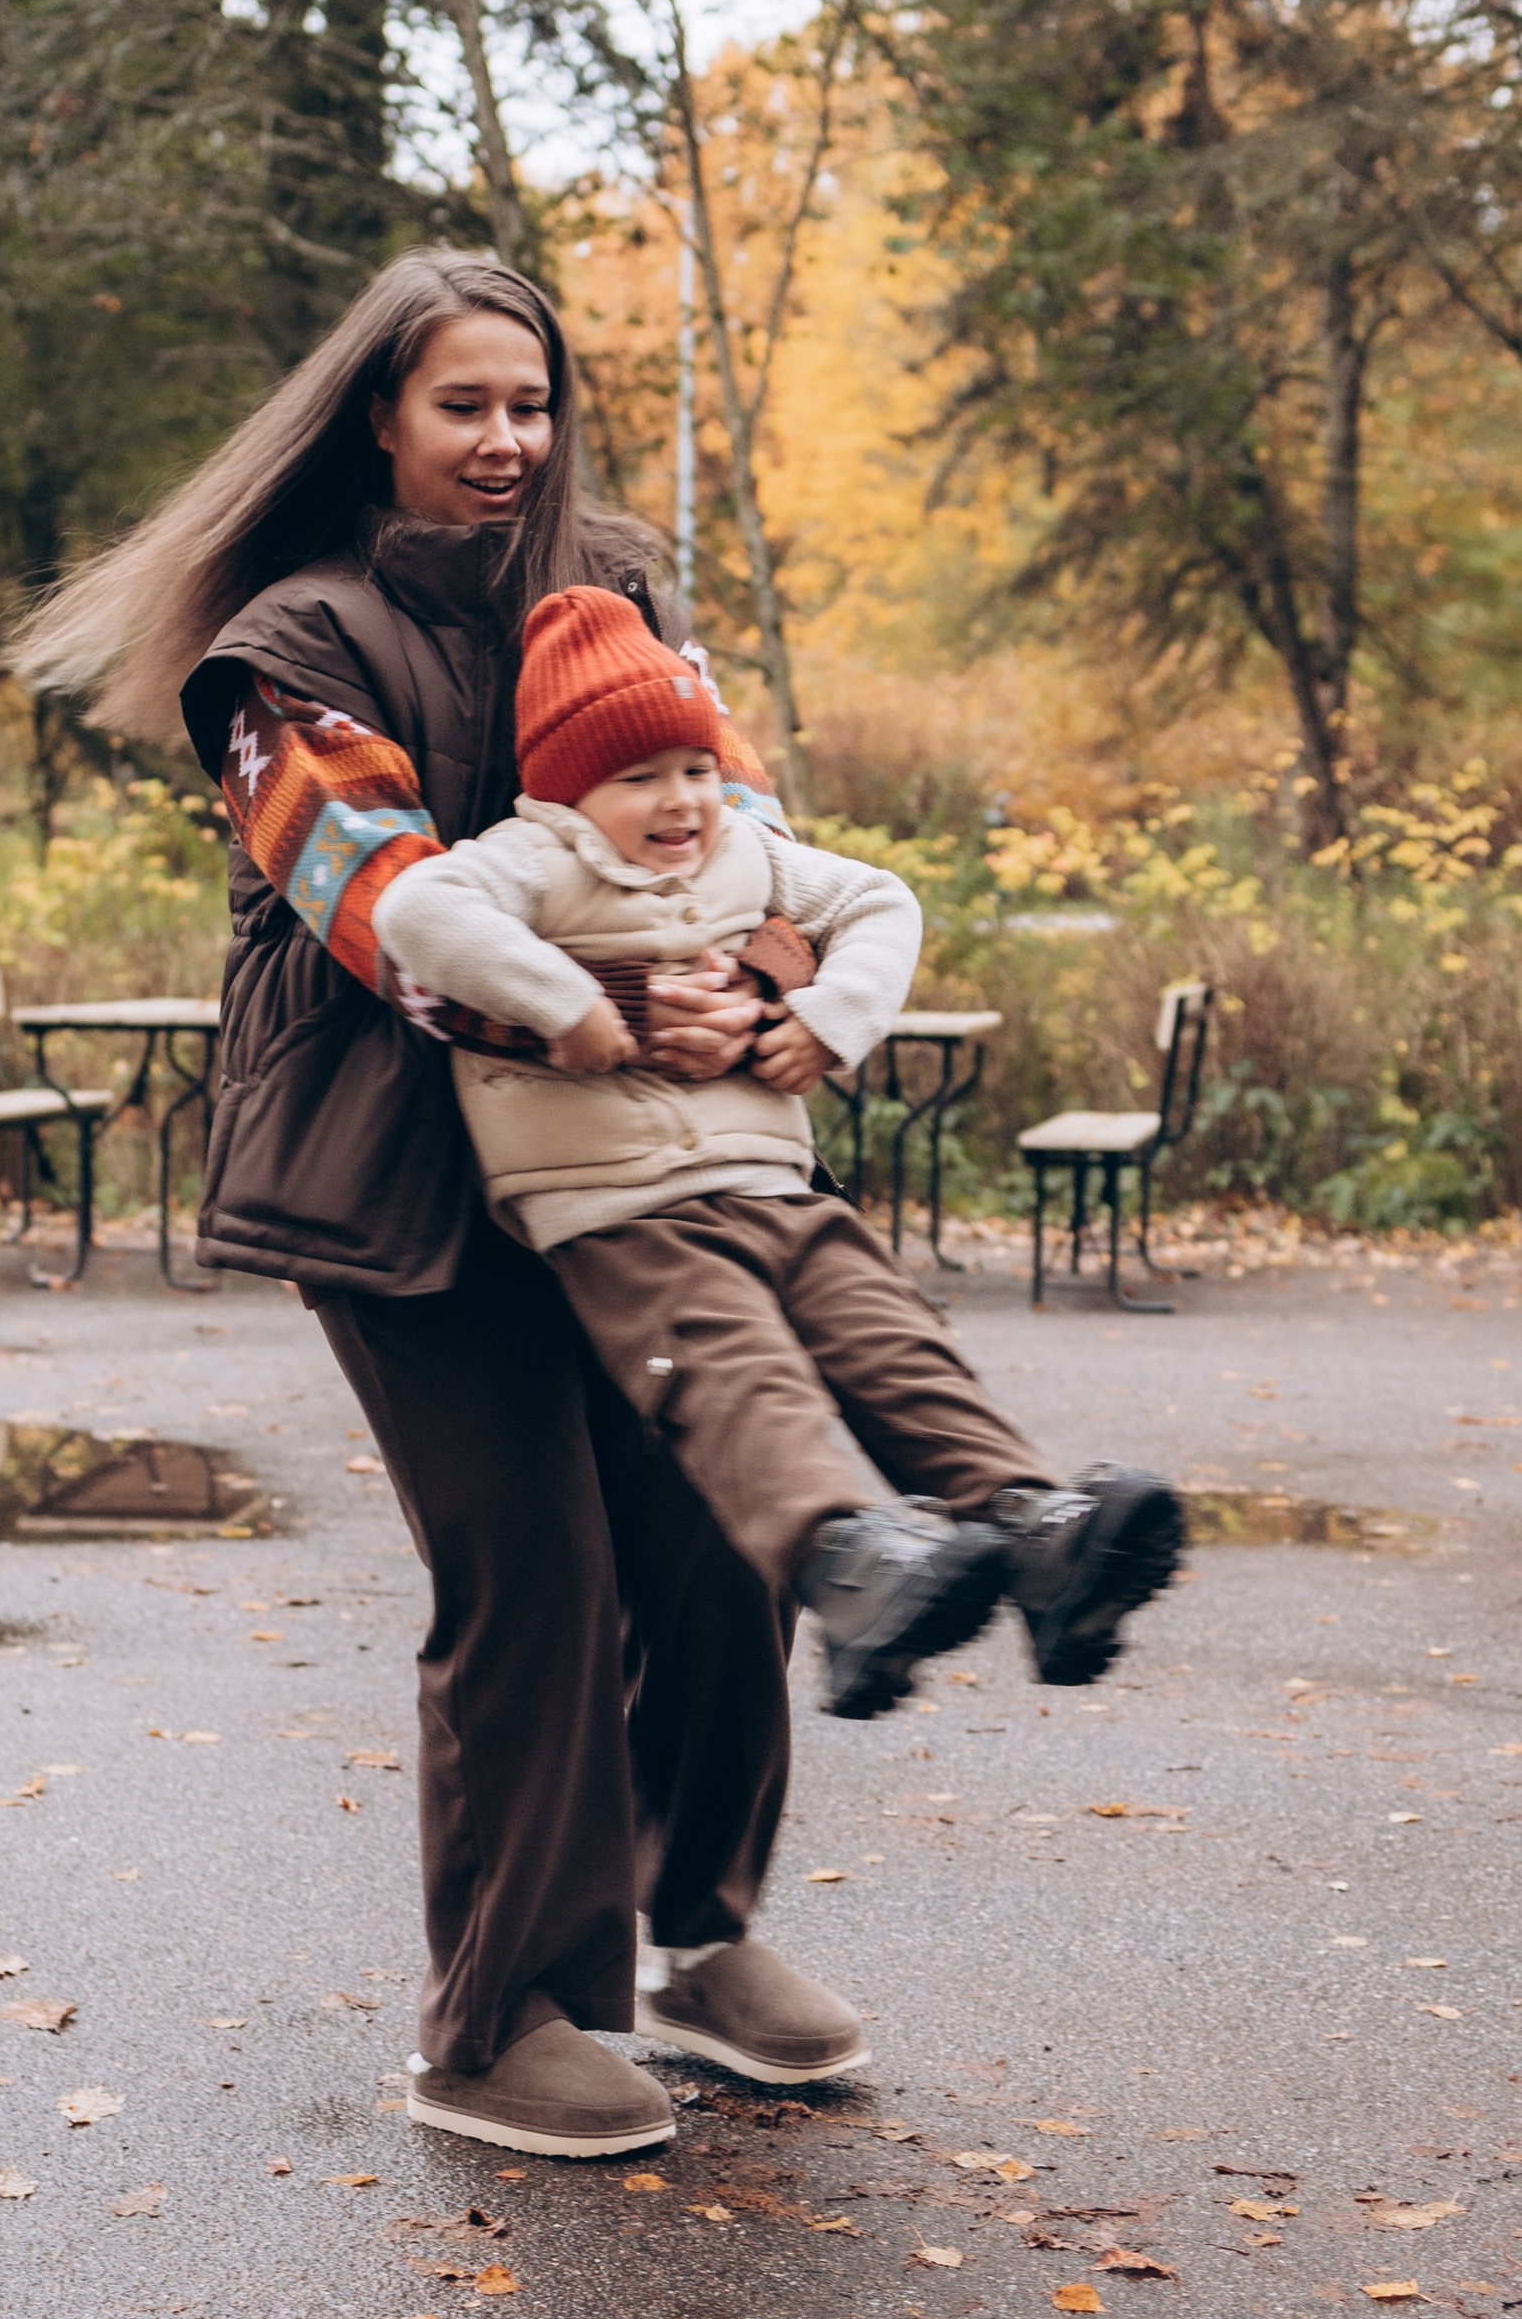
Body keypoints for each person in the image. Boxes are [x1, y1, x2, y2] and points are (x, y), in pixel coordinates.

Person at [13, 248, 868, 2154]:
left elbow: (727, 828)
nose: (507, 440)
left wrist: (786, 960)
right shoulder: (279, 650)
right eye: (464, 404)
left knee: (722, 1533)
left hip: (630, 1159)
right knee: (537, 1573)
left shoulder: (625, 588)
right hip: (400, 1171)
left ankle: (695, 1933)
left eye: (532, 402)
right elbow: (380, 904)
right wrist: (640, 997)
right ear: (378, 422)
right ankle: (494, 2022)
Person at [373, 584, 1185, 1713]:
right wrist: (563, 1000)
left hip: (774, 1182)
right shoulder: (531, 858)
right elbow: (415, 915)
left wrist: (827, 1018)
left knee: (892, 1336)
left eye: (696, 769)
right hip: (623, 1206)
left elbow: (882, 901)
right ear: (566, 787)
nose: (680, 802)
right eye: (637, 778)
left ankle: (1027, 1526)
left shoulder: (747, 856)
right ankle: (843, 1560)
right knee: (735, 1367)